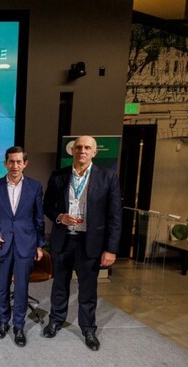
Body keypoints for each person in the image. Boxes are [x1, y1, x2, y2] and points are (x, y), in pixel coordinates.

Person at [43, 135, 122, 351]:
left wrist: (111, 249)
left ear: (94, 152)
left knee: (88, 289)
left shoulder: (107, 177)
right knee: (59, 286)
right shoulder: (59, 176)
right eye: (79, 147)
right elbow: (47, 206)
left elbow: (115, 216)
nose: (82, 151)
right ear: (72, 150)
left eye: (87, 148)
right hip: (64, 239)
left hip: (90, 242)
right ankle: (55, 321)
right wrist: (59, 217)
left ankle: (88, 328)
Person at [0, 146, 45, 347]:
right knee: (2, 286)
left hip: (26, 244)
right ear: (5, 163)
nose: (15, 165)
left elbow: (39, 218)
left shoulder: (35, 187)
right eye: (11, 161)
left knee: (21, 287)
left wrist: (39, 245)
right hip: (2, 243)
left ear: (25, 164)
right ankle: (3, 321)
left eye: (19, 162)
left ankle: (18, 326)